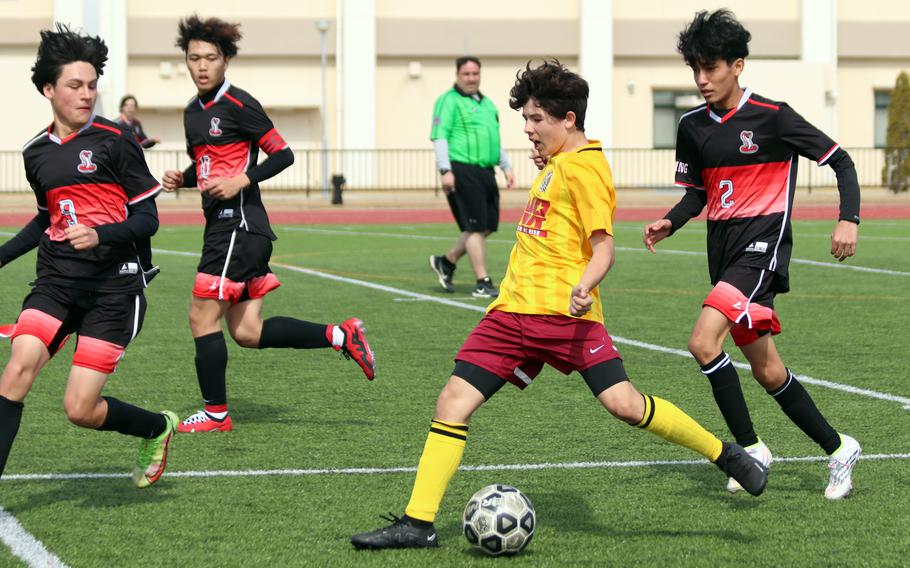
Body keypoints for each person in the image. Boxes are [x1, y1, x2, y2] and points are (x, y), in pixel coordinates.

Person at [351, 60, 768, 550]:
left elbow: (604, 246)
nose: (527, 130)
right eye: (525, 120)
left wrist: (583, 286)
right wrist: (550, 164)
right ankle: (418, 523)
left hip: (562, 316)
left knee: (625, 405)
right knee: (453, 401)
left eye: (536, 120)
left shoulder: (587, 169)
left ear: (568, 119)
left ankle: (727, 455)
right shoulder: (560, 163)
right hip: (510, 314)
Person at [642, 9, 862, 500]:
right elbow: (698, 194)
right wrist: (671, 220)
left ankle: (749, 448)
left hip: (761, 254)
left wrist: (849, 217)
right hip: (723, 257)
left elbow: (841, 160)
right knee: (768, 371)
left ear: (738, 65)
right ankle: (839, 446)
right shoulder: (692, 126)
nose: (702, 79)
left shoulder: (774, 117)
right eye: (695, 69)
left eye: (712, 68)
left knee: (703, 341)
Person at [162, 15, 375, 434]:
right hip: (231, 228)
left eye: (211, 57)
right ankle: (340, 335)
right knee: (247, 331)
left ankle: (216, 414)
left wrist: (243, 179)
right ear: (186, 62)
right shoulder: (192, 112)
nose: (202, 65)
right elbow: (209, 167)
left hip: (237, 226)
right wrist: (184, 179)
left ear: (226, 61)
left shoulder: (240, 104)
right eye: (194, 58)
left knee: (200, 318)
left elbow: (282, 154)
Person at [0, 24, 176, 488]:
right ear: (48, 89)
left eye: (92, 85)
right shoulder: (35, 153)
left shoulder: (117, 141)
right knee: (16, 371)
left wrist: (101, 234)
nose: (86, 94)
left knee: (80, 409)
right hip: (58, 281)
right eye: (75, 86)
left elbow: (148, 220)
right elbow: (46, 219)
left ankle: (157, 428)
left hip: (115, 289)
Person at [428, 56, 516, 298]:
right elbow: (440, 135)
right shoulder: (448, 101)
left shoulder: (487, 104)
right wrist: (445, 170)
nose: (471, 78)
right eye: (466, 74)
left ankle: (447, 261)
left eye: (475, 74)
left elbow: (493, 138)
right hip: (462, 169)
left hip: (486, 171)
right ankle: (482, 281)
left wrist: (506, 166)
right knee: (474, 227)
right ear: (458, 75)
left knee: (486, 225)